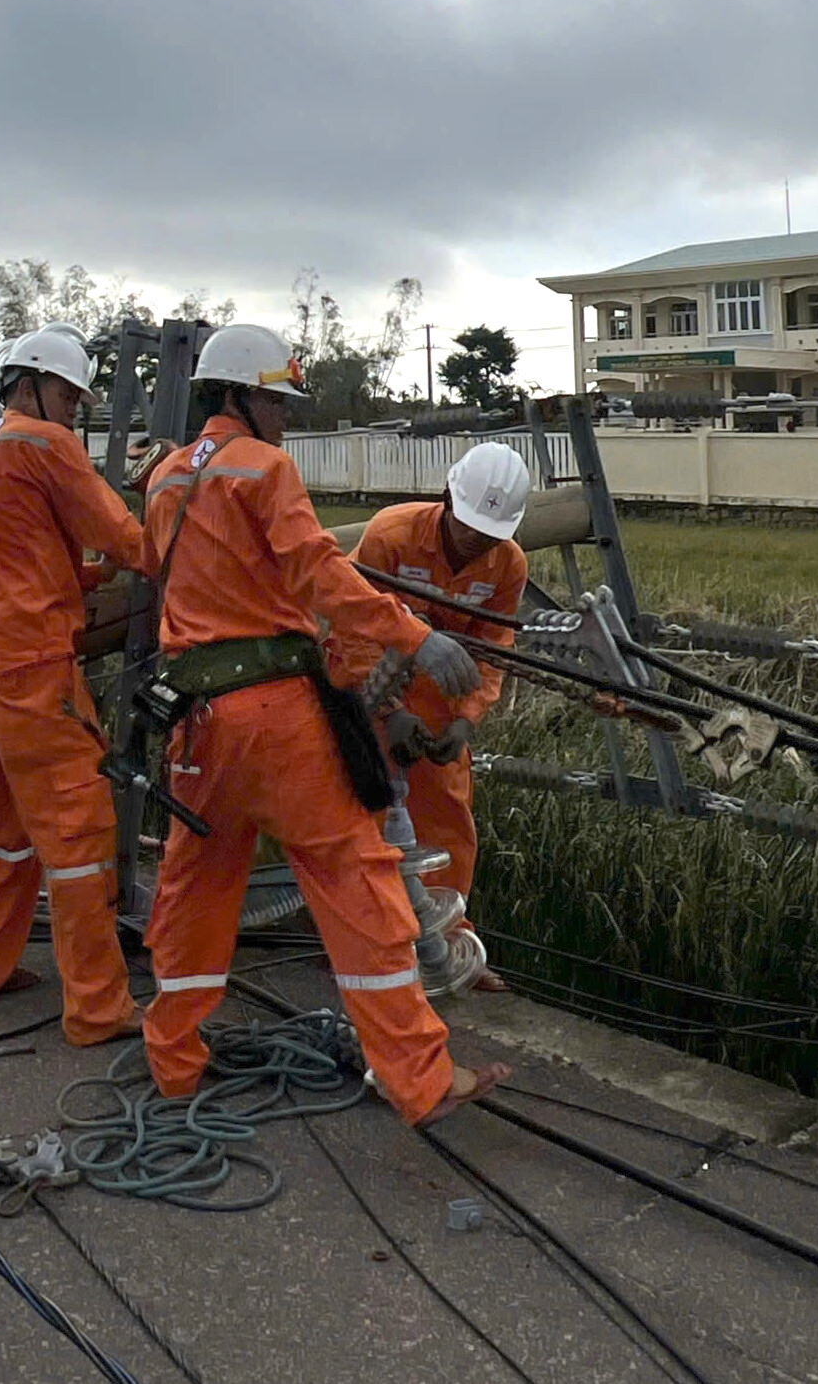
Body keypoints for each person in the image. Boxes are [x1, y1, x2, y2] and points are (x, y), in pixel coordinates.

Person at [141, 323, 510, 1127]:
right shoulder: (264, 469)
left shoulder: (166, 476)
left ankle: (174, 1060)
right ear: (239, 393)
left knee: (193, 891)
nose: (282, 416)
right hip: (275, 712)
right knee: (359, 877)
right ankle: (419, 1076)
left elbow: (151, 570)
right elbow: (318, 571)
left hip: (195, 723)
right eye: (275, 399)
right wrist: (416, 634)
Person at [0, 322, 147, 1046]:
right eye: (65, 392)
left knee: (9, 836)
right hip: (32, 668)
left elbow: (14, 558)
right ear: (27, 384)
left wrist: (85, 578)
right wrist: (178, 539)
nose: (73, 408)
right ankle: (98, 1009)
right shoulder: (44, 442)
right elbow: (126, 535)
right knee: (81, 833)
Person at [343, 444, 531, 993]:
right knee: (366, 818)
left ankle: (451, 945)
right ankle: (364, 943)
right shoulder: (391, 535)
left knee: (447, 819)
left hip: (444, 700)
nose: (479, 542)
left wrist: (467, 719)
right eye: (472, 528)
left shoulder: (507, 563)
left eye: (492, 534)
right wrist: (390, 711)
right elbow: (352, 625)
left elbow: (496, 646)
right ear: (448, 499)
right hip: (370, 686)